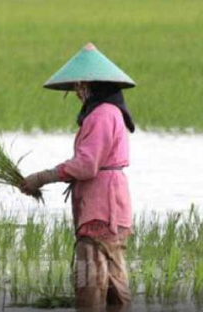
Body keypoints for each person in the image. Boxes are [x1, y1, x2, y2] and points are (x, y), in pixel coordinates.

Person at [20, 43, 136, 310]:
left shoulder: (102, 114)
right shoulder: (110, 112)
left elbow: (86, 165)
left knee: (90, 284)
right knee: (114, 283)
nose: (77, 93)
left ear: (89, 86)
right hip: (112, 206)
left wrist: (43, 176)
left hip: (101, 208)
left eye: (79, 87)